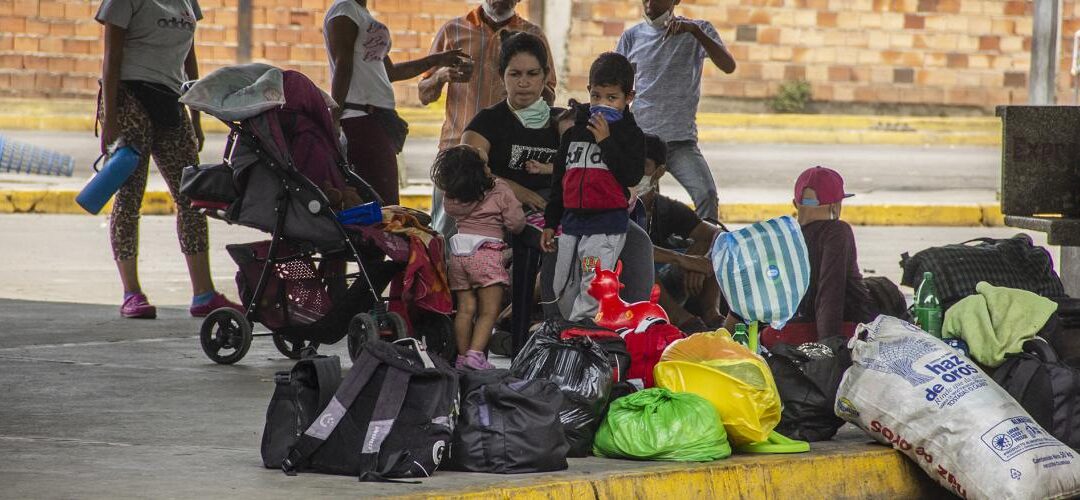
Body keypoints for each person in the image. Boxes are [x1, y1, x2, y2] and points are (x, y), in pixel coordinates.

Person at [96, 0, 241, 319]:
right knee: (130, 196)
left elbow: (190, 54)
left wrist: (196, 113)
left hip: (172, 101)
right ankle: (132, 293)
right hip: (130, 98)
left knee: (192, 196)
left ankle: (203, 292)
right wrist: (109, 118)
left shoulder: (188, 2)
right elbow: (112, 55)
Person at [418, 0, 556, 235]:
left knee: (508, 239)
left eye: (533, 73)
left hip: (511, 158)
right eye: (513, 73)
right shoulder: (453, 30)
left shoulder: (533, 35)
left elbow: (550, 95)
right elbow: (424, 94)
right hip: (458, 154)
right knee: (449, 236)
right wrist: (441, 76)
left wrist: (521, 76)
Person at [324, 0, 464, 205]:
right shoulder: (344, 9)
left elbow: (390, 72)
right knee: (382, 202)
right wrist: (334, 118)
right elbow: (342, 65)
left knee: (384, 198)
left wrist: (436, 60)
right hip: (360, 117)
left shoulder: (363, 13)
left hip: (378, 118)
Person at [541, 52, 646, 323]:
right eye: (597, 96)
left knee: (593, 283)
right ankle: (571, 327)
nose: (602, 104)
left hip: (605, 226)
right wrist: (551, 222)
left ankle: (582, 337)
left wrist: (607, 142)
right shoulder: (575, 131)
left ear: (628, 98)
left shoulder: (631, 134)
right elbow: (559, 179)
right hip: (572, 224)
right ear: (589, 91)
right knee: (560, 285)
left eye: (612, 98)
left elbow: (631, 175)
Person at [616, 0, 736, 221]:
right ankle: (648, 251)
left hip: (681, 141)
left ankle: (705, 250)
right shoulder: (631, 37)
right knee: (643, 204)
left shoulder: (698, 31)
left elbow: (728, 66)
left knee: (706, 195)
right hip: (643, 140)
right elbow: (617, 86)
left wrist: (695, 32)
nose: (649, 3)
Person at [431, 145, 526, 370]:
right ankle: (476, 356)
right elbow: (516, 223)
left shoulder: (451, 195)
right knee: (489, 310)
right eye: (484, 164)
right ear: (477, 171)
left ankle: (463, 357)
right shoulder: (499, 189)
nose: (489, 167)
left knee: (465, 309)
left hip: (459, 255)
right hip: (486, 254)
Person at [756, 166, 872, 348]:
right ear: (835, 206)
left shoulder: (783, 236)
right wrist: (828, 348)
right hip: (826, 331)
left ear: (795, 203)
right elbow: (830, 291)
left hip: (777, 334)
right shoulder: (837, 231)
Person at [634, 134, 726, 332]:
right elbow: (632, 247)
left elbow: (716, 234)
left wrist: (698, 257)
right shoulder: (618, 205)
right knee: (642, 263)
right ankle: (683, 321)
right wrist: (683, 260)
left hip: (669, 288)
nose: (634, 170)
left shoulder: (667, 208)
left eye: (643, 165)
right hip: (635, 289)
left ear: (659, 172)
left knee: (715, 251)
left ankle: (712, 316)